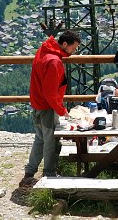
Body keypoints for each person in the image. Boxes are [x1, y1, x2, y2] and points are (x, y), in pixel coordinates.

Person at [21, 30, 80, 187]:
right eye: (73, 48)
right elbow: (51, 93)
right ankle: (49, 175)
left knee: (40, 138)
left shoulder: (44, 50)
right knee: (51, 141)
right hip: (47, 107)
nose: (74, 51)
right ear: (65, 44)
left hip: (37, 104)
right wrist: (62, 110)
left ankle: (30, 172)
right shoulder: (54, 61)